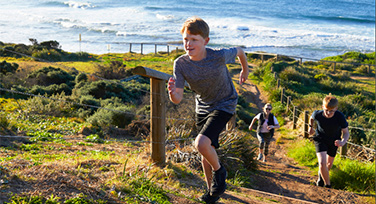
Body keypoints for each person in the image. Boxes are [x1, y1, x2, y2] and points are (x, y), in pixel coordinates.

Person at [167, 16, 249, 204]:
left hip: (225, 103)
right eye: (186, 39)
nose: (188, 44)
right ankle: (212, 193)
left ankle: (220, 173)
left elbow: (240, 51)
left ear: (206, 41)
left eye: (194, 40)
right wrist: (172, 94)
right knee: (207, 149)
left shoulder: (218, 55)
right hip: (203, 107)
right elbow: (178, 98)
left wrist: (245, 70)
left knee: (201, 143)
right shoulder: (180, 63)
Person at [309, 94, 349, 188]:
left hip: (334, 141)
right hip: (320, 139)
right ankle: (327, 185)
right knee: (322, 163)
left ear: (336, 108)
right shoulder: (317, 114)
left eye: (331, 111)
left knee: (328, 165)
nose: (328, 113)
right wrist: (310, 127)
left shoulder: (340, 117)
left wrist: (343, 142)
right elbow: (311, 118)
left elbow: (346, 132)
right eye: (326, 110)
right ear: (323, 107)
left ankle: (321, 175)